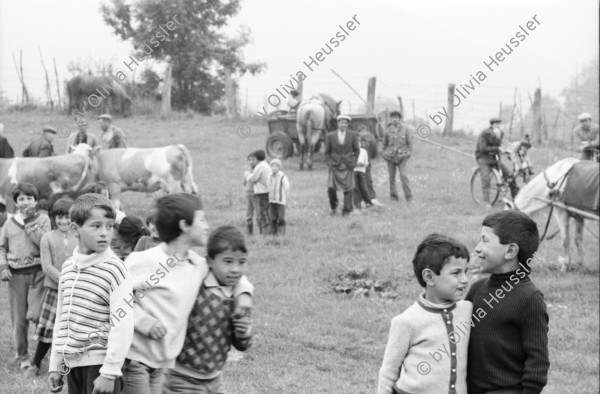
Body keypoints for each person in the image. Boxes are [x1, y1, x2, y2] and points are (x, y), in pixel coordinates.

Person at [122, 198, 253, 394]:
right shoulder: (145, 261)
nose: (207, 226)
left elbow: (232, 275)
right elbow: (116, 299)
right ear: (184, 225)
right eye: (202, 220)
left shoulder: (197, 265)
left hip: (163, 364)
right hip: (135, 358)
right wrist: (143, 321)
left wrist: (244, 296)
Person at [48, 193, 133, 394]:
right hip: (73, 366)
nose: (105, 233)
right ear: (76, 230)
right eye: (96, 226)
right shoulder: (68, 268)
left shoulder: (115, 269)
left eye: (110, 226)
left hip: (100, 366)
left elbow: (123, 324)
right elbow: (62, 320)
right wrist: (56, 365)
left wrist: (110, 372)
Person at [466, 210, 549, 394]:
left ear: (511, 251)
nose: (477, 248)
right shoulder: (476, 290)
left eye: (485, 240)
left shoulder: (529, 298)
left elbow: (538, 362)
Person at [163, 226, 253, 394]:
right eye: (227, 261)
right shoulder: (197, 285)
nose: (235, 269)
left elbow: (242, 345)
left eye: (242, 262)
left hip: (215, 381)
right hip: (181, 379)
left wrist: (244, 333)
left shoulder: (238, 297)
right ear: (210, 261)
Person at [378, 233, 471, 394]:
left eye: (466, 271)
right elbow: (388, 372)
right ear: (429, 276)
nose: (465, 279)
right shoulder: (406, 321)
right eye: (456, 273)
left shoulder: (467, 310)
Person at [0, 183, 51, 370]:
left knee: (38, 314)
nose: (25, 202)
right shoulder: (9, 223)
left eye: (29, 198)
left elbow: (44, 243)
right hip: (16, 276)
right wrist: (3, 265)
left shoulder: (43, 219)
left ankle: (46, 349)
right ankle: (22, 357)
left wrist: (30, 221)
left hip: (38, 274)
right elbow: (2, 247)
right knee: (19, 319)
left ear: (36, 201)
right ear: (15, 202)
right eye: (21, 199)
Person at [29, 198, 78, 377]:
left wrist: (76, 281)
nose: (63, 221)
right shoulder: (47, 238)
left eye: (67, 217)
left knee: (72, 328)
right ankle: (35, 364)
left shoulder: (79, 237)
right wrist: (65, 280)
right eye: (59, 217)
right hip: (55, 290)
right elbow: (47, 266)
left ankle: (70, 366)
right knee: (49, 329)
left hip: (76, 291)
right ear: (53, 217)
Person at [475, 117, 518, 206]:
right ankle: (486, 202)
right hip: (483, 158)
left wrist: (504, 151)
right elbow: (482, 148)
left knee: (510, 177)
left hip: (494, 159)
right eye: (497, 124)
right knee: (486, 179)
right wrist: (497, 148)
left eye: (499, 124)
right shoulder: (484, 134)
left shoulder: (500, 133)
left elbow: (499, 146)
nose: (499, 126)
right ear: (492, 125)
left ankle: (516, 200)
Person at [325, 114, 360, 216]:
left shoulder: (352, 135)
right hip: (334, 166)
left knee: (348, 189)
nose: (343, 124)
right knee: (331, 189)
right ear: (338, 123)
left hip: (348, 165)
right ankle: (334, 207)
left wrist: (353, 163)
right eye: (342, 122)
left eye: (345, 123)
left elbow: (357, 150)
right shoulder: (330, 136)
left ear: (348, 124)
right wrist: (329, 163)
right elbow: (327, 152)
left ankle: (346, 211)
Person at [382, 111, 413, 203]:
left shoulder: (406, 129)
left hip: (401, 157)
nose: (394, 119)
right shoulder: (387, 130)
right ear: (391, 119)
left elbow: (409, 143)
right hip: (390, 157)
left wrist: (407, 154)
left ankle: (409, 197)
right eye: (392, 118)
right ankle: (393, 197)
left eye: (396, 117)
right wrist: (384, 154)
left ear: (400, 119)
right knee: (392, 178)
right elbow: (384, 144)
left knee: (404, 176)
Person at [247, 150, 271, 234]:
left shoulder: (260, 166)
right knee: (266, 212)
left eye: (254, 159)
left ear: (257, 158)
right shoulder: (266, 165)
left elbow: (253, 178)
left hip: (262, 193)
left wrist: (247, 175)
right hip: (267, 191)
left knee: (262, 213)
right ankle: (269, 231)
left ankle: (265, 232)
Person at [267, 158, 290, 235]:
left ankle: (282, 232)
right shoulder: (269, 176)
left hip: (280, 200)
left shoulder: (282, 176)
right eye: (272, 166)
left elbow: (287, 187)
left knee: (281, 217)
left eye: (276, 166)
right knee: (273, 217)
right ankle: (274, 232)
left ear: (279, 167)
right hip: (272, 200)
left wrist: (286, 196)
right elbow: (268, 186)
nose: (274, 168)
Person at [353, 135, 374, 210]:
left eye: (359, 142)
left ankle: (368, 202)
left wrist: (363, 164)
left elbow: (367, 162)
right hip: (354, 171)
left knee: (364, 187)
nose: (357, 144)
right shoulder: (351, 151)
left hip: (362, 171)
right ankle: (357, 203)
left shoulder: (364, 151)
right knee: (355, 187)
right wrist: (355, 164)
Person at [243, 154, 258, 235]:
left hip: (256, 194)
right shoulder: (246, 172)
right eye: (250, 160)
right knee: (248, 213)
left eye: (253, 160)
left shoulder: (257, 171)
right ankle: (249, 232)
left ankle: (261, 231)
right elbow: (244, 183)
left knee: (258, 212)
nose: (251, 162)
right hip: (248, 193)